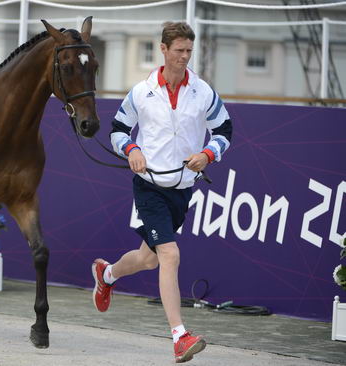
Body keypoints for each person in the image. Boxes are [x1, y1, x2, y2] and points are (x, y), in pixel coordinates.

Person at [91, 21, 232, 363]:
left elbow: (225, 130)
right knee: (169, 256)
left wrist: (208, 154)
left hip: (182, 188)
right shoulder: (142, 91)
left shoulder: (203, 92)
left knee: (149, 258)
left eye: (189, 51)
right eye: (179, 50)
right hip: (149, 185)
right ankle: (180, 337)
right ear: (164, 49)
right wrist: (132, 150)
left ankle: (106, 274)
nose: (185, 57)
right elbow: (118, 130)